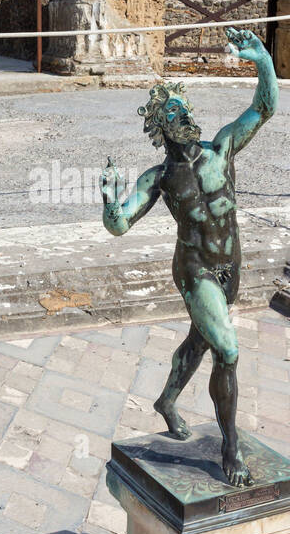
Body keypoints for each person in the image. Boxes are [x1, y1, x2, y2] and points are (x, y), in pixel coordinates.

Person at [101, 28, 278, 486]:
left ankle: (165, 401)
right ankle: (230, 450)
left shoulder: (222, 149)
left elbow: (264, 108)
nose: (187, 116)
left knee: (201, 340)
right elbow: (121, 224)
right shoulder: (159, 178)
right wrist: (107, 202)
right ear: (161, 127)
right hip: (194, 267)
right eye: (176, 113)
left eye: (186, 109)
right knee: (228, 349)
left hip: (230, 267)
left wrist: (262, 62)